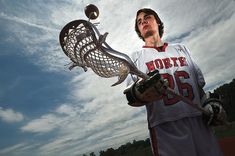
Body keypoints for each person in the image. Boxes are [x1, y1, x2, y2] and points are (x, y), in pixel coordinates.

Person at [124, 8, 226, 156]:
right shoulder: (135, 58)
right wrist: (142, 92)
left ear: (157, 22)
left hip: (199, 121)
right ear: (139, 31)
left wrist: (210, 104)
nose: (143, 22)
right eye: (139, 22)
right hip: (166, 127)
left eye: (147, 17)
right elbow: (131, 98)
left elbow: (198, 88)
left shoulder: (181, 49)